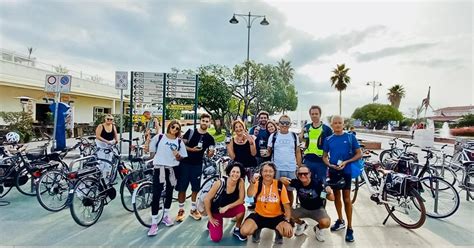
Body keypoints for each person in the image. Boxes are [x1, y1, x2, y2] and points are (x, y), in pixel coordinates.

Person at [322, 115, 362, 242]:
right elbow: (324, 157)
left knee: (347, 199)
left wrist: (346, 162)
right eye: (335, 123)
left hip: (347, 171)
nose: (338, 125)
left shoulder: (350, 137)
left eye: (340, 123)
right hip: (334, 172)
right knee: (337, 198)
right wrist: (330, 165)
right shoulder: (328, 139)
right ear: (332, 125)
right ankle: (340, 220)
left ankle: (350, 228)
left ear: (343, 124)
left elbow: (359, 154)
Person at [147, 120, 188, 236]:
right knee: (156, 194)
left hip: (172, 169)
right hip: (159, 169)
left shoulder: (179, 142)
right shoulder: (159, 137)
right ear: (169, 127)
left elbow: (182, 158)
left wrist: (178, 156)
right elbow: (151, 151)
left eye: (177, 128)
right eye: (173, 127)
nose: (174, 129)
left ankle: (166, 216)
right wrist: (147, 142)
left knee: (169, 193)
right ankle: (154, 223)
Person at [240, 162, 293, 244]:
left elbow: (286, 205)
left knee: (288, 233)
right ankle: (256, 229)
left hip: (277, 217)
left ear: (274, 173)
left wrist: (287, 221)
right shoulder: (257, 184)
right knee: (244, 231)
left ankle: (278, 232)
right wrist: (252, 183)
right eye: (265, 171)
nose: (268, 173)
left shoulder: (279, 185)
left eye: (270, 171)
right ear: (261, 173)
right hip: (259, 216)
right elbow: (250, 195)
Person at [176, 113, 216, 222]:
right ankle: (180, 210)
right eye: (203, 120)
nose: (204, 123)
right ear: (200, 121)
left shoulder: (210, 138)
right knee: (182, 188)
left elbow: (209, 153)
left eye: (207, 121)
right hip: (184, 164)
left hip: (198, 165)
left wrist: (211, 153)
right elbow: (181, 145)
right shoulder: (191, 132)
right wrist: (191, 149)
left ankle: (193, 209)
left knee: (195, 189)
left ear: (209, 123)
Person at [279, 166, 334, 242]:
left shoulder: (317, 184)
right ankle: (301, 224)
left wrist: (329, 192)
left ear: (310, 174)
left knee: (326, 223)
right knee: (285, 213)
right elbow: (284, 182)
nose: (303, 176)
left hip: (317, 209)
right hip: (303, 208)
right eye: (300, 174)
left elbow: (331, 198)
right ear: (297, 175)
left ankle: (318, 228)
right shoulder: (296, 182)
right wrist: (281, 179)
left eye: (305, 174)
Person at [205, 162, 247, 242]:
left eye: (238, 172)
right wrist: (210, 217)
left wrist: (227, 207)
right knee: (216, 238)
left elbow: (241, 200)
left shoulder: (240, 182)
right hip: (216, 211)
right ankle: (210, 222)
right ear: (229, 172)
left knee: (241, 208)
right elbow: (207, 199)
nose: (235, 174)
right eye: (233, 171)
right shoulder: (220, 183)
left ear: (241, 174)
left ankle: (237, 229)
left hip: (228, 210)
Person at [267, 115, 302, 206]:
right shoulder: (273, 136)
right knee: (276, 190)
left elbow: (298, 152)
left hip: (291, 168)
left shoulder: (294, 136)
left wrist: (299, 167)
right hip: (276, 168)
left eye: (287, 123)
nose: (284, 125)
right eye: (282, 122)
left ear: (290, 124)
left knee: (290, 191)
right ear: (278, 124)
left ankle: (288, 211)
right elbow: (268, 151)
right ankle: (277, 211)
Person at [299, 106, 333, 184]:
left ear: (320, 115)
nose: (314, 115)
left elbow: (331, 145)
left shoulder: (327, 129)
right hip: (308, 161)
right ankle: (308, 196)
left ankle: (322, 196)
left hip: (321, 161)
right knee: (307, 183)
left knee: (322, 184)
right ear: (310, 115)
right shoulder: (306, 127)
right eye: (312, 114)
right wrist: (301, 136)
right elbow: (302, 142)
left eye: (316, 114)